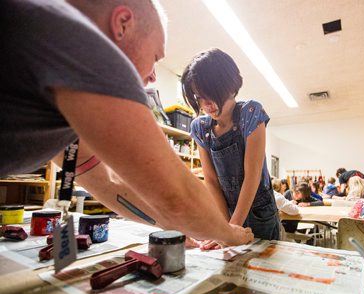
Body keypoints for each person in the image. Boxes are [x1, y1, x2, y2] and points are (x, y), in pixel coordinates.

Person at [0, 0, 253, 247]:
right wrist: (230, 236)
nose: (154, 75)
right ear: (122, 23)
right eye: (155, 56)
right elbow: (177, 196)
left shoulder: (53, 48)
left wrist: (170, 224)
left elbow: (108, 182)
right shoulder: (84, 46)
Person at [182, 48, 280, 247]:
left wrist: (230, 229)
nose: (207, 105)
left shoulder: (251, 113)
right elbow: (211, 181)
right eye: (199, 97)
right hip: (226, 211)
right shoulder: (200, 127)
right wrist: (225, 228)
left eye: (212, 95)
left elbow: (252, 177)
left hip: (259, 213)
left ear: (231, 87)